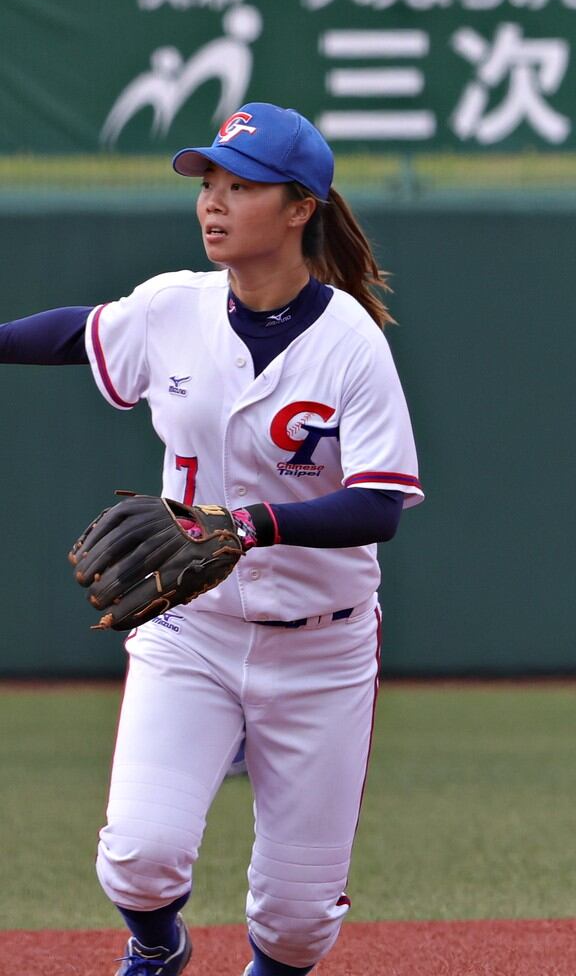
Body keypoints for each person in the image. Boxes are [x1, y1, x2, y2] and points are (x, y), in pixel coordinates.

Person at [0, 103, 424, 976]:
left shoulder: (351, 344)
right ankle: (158, 947)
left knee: (297, 923)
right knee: (139, 856)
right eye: (209, 183)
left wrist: (247, 525)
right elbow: (76, 333)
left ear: (301, 207)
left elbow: (379, 504)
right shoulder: (174, 307)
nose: (214, 202)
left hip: (322, 648)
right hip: (190, 628)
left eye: (242, 186)